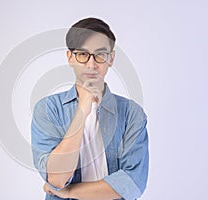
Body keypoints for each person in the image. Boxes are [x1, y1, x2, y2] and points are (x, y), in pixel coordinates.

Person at [31, 17, 149, 200]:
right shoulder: (48, 109)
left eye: (100, 54)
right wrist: (83, 109)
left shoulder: (132, 113)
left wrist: (70, 192)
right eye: (83, 54)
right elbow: (57, 179)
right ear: (70, 57)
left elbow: (133, 183)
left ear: (111, 58)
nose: (92, 64)